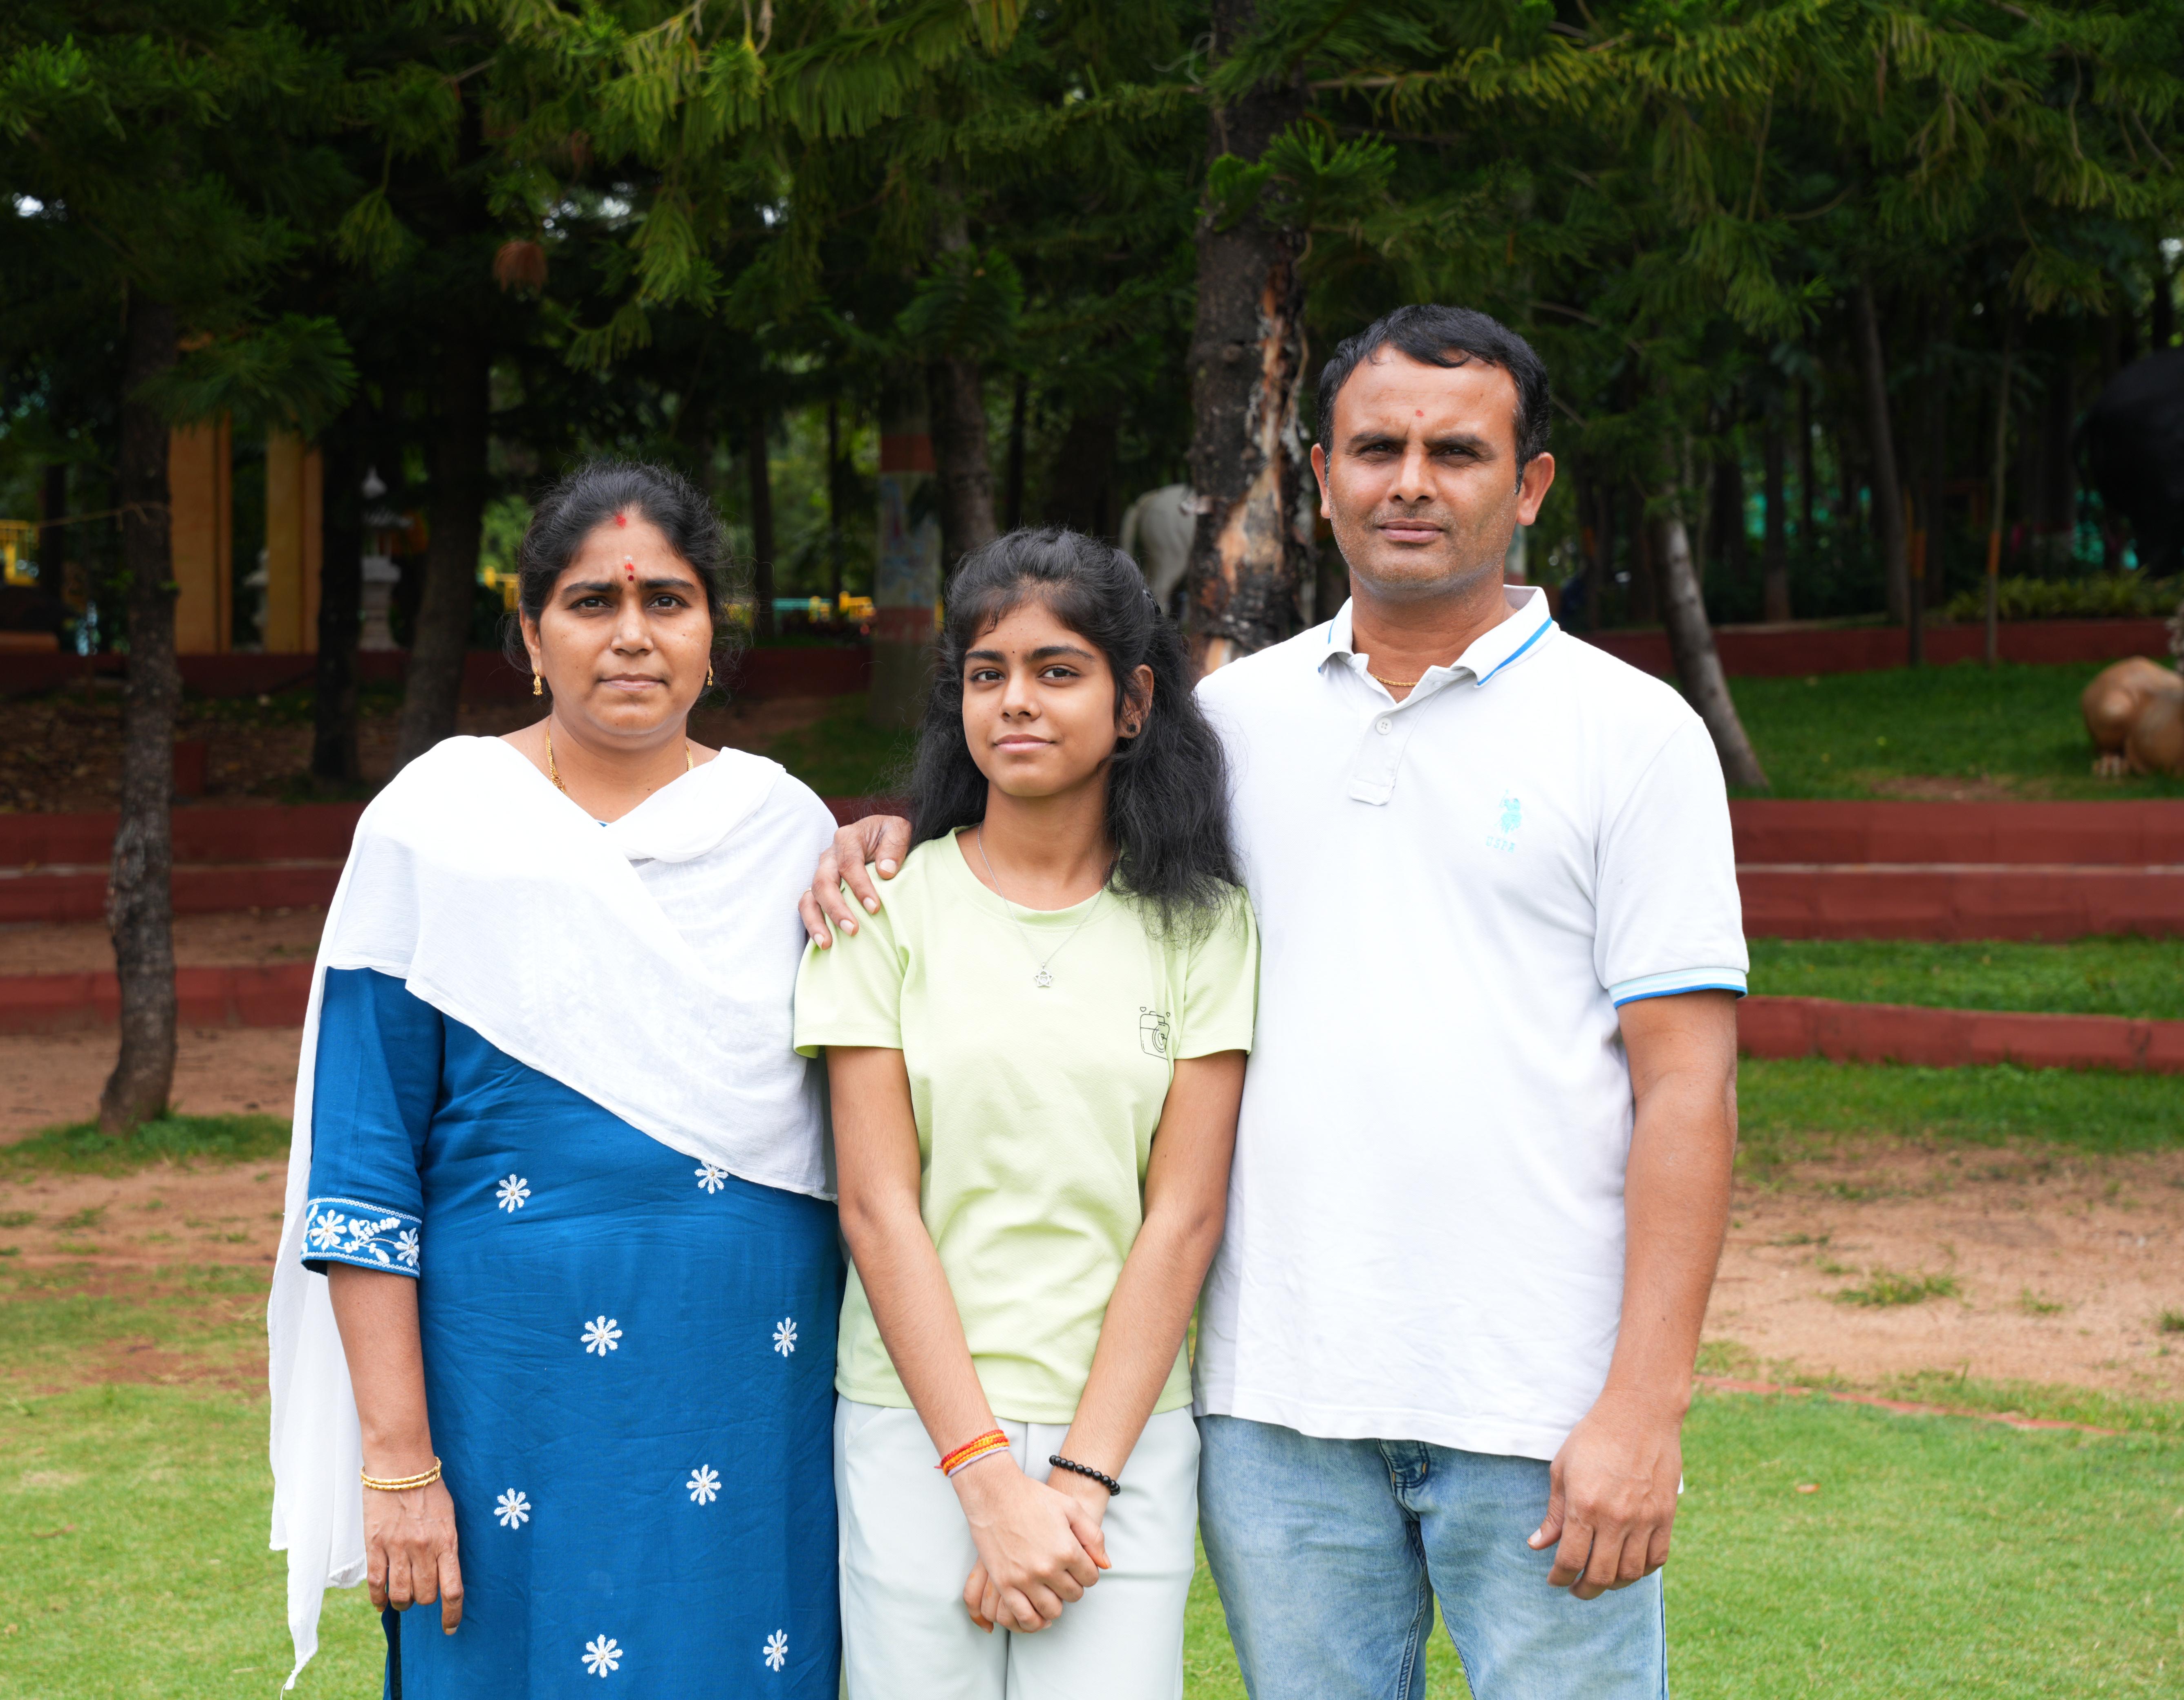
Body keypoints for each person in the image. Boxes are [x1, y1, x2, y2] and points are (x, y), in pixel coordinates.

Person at [806, 306, 1745, 1698]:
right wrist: (886, 838)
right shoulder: (1235, 727)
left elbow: (1689, 1088)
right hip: (1277, 1414)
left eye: (1456, 452)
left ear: (1530, 484)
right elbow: (1031, 832)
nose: (1410, 482)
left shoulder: (1635, 734)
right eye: (1375, 449)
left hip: (1537, 1405)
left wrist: (1645, 1408)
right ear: (1321, 475)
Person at [268, 461, 847, 1696]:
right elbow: (362, 1168)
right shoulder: (438, 825)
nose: (633, 636)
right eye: (592, 603)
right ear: (531, 635)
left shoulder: (787, 831)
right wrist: (399, 1464)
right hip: (503, 1398)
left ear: (712, 634)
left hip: (752, 1389)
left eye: (668, 602)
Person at [794, 528, 1258, 1700]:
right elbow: (877, 1209)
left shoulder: (1205, 925)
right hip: (913, 1425)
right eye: (987, 672)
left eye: (1059, 671)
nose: (1017, 701)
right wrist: (986, 1479)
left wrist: (1082, 1483)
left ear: (1133, 702)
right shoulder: (880, 908)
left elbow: (1184, 1219)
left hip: (1125, 1434)